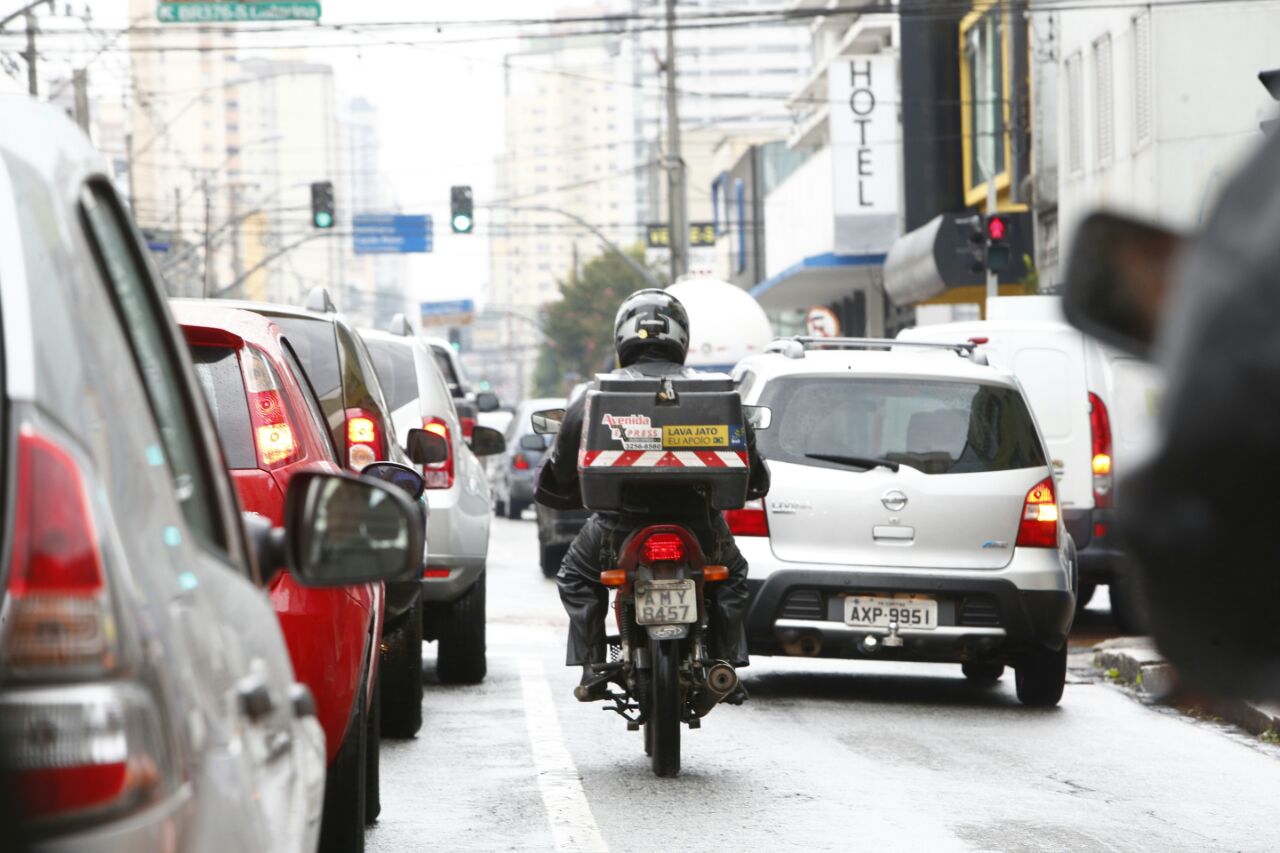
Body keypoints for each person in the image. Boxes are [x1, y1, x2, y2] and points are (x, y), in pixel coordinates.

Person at [535, 289, 770, 700]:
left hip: (616, 528)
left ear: (622, 338)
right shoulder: (716, 391)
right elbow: (754, 469)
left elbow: (560, 466)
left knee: (574, 576)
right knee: (731, 577)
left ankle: (593, 666)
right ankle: (726, 662)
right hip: (701, 526)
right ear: (682, 338)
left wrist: (561, 487)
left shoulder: (593, 393)